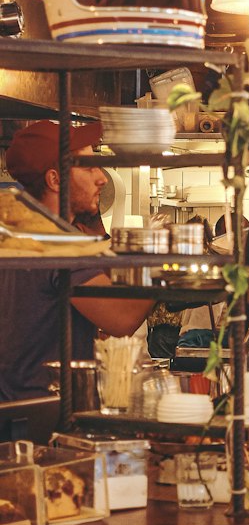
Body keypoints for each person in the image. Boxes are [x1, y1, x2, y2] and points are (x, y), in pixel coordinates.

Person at [0, 120, 152, 400]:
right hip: (46, 414)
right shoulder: (58, 243)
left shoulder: (16, 230)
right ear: (55, 180)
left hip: (13, 410)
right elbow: (122, 320)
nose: (102, 178)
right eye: (88, 166)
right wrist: (167, 265)